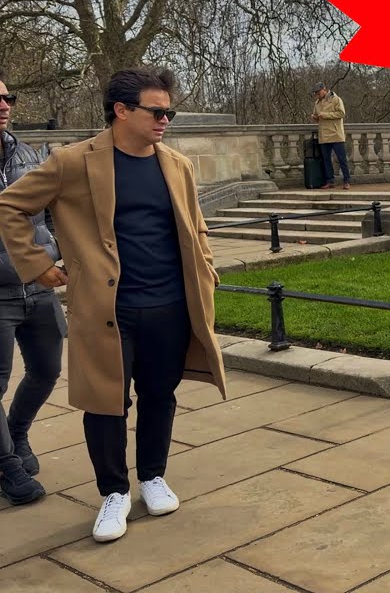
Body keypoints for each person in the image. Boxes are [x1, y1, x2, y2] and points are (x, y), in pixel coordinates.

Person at [0, 66, 225, 542]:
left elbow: (195, 225)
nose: (166, 120)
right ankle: (114, 493)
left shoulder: (176, 164)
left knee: (160, 395)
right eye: (157, 111)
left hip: (170, 303)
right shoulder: (73, 161)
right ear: (122, 111)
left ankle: (152, 476)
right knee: (106, 404)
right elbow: (10, 207)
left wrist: (205, 266)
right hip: (108, 309)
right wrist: (38, 265)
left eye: (170, 111)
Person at [0, 72, 66, 507]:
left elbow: (57, 211)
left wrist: (54, 251)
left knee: (46, 371)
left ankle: (17, 432)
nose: (4, 105)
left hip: (38, 286)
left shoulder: (29, 154)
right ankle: (6, 465)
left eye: (8, 97)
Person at [311, 83, 351, 189]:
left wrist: (325, 115)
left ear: (324, 90)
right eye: (315, 93)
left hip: (336, 134)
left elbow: (341, 114)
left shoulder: (336, 99)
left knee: (341, 159)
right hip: (324, 135)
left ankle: (346, 180)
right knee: (326, 159)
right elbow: (317, 116)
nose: (317, 95)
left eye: (318, 92)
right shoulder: (317, 103)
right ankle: (330, 181)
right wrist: (315, 117)